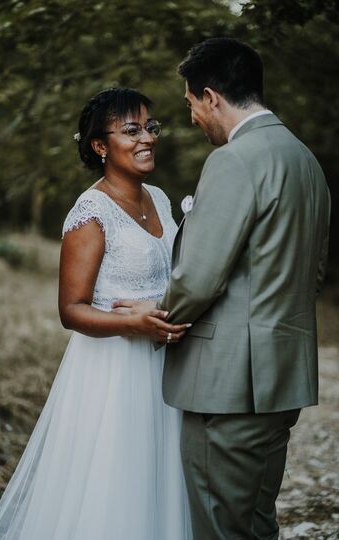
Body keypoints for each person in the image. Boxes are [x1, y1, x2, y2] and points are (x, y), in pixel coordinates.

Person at [114, 38, 331, 539]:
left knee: (219, 526)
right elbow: (311, 273)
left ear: (211, 96)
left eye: (190, 105)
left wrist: (156, 311)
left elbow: (200, 275)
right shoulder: (304, 160)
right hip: (282, 378)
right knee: (256, 521)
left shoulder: (235, 160)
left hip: (229, 386)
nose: (192, 118)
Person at [0, 88, 193, 540]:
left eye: (151, 128)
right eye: (131, 130)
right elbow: (71, 310)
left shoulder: (158, 196)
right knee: (117, 488)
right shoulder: (91, 212)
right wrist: (134, 324)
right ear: (100, 146)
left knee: (164, 484)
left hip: (168, 365)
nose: (147, 138)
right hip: (113, 373)